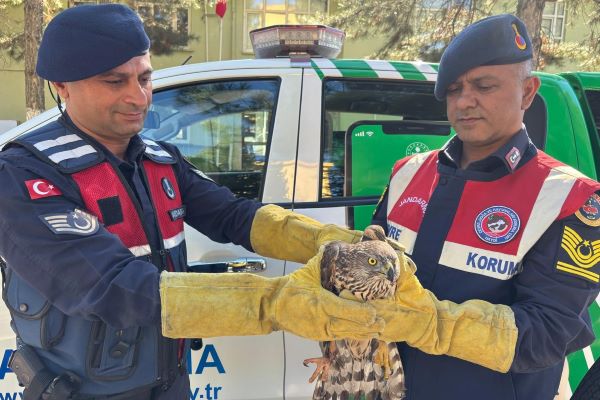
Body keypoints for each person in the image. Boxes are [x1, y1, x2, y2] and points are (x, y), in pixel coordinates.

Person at [0, 4, 381, 399]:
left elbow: (234, 216)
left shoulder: (159, 159)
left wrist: (336, 244)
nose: (138, 97)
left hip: (171, 383)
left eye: (145, 77)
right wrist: (280, 303)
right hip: (86, 391)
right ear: (62, 86)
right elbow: (112, 288)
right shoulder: (22, 175)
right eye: (115, 81)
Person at [369, 14, 600, 400]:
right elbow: (374, 265)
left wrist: (427, 323)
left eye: (483, 85)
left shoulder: (570, 198)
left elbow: (546, 334)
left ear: (528, 92)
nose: (465, 101)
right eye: (455, 88)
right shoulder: (407, 172)